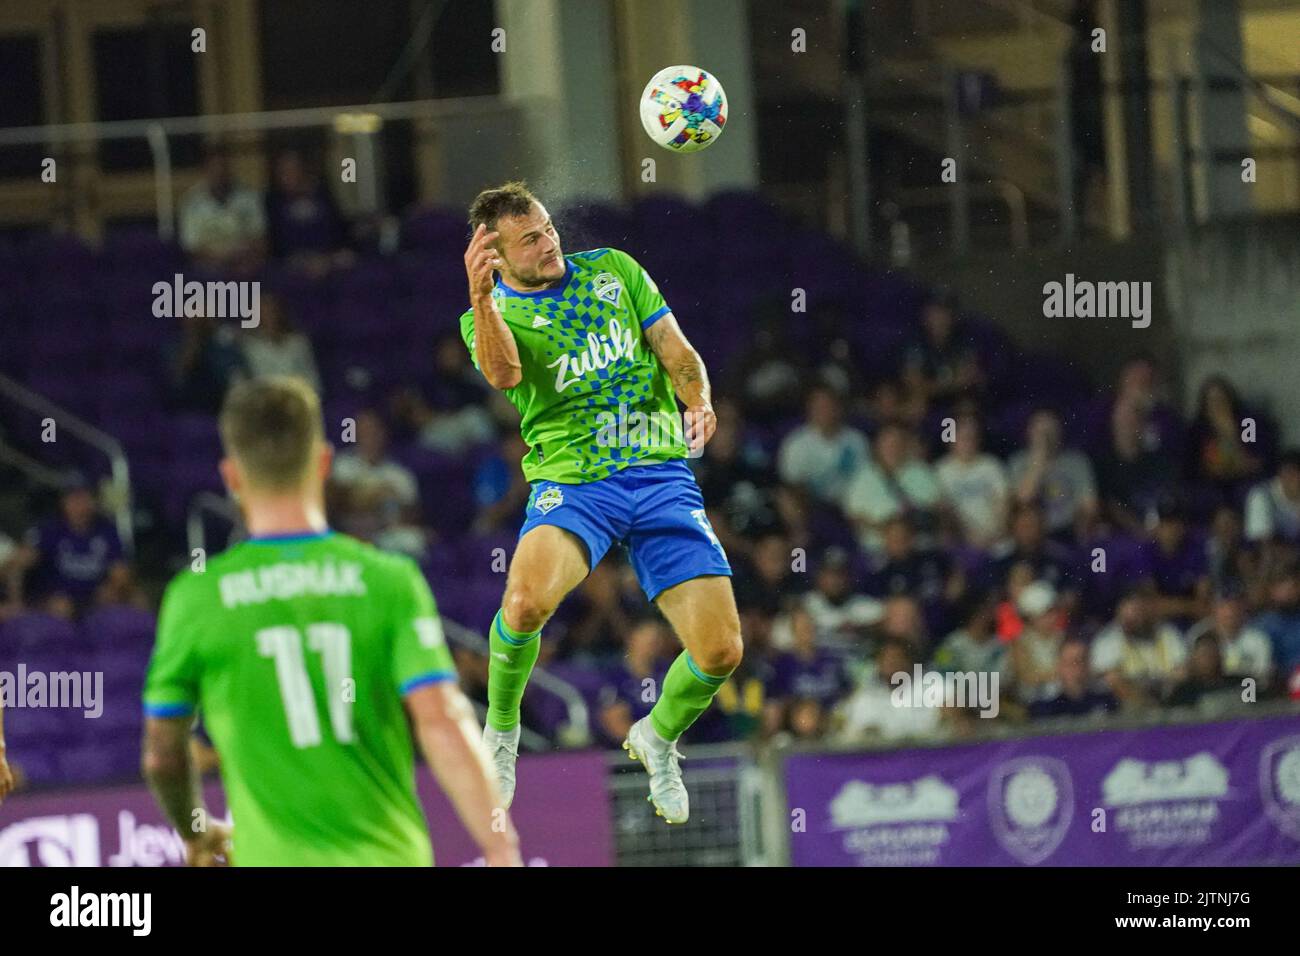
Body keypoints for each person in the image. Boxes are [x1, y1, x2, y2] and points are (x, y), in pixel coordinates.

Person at [141, 377, 520, 867]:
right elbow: (443, 718)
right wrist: (499, 847)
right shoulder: (386, 580)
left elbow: (163, 755)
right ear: (322, 463)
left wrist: (194, 828)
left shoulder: (196, 597)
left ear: (232, 477)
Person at [460, 181, 741, 824]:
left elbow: (676, 350)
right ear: (497, 257)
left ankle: (658, 736)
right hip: (577, 482)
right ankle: (501, 733)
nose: (549, 241)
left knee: (721, 651)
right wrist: (480, 295)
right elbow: (504, 375)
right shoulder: (488, 315)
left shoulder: (613, 270)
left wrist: (697, 399)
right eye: (530, 238)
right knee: (526, 602)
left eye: (549, 228)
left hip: (659, 472)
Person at [178, 144, 267, 276]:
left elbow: (261, 240)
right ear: (205, 170)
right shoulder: (191, 203)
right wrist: (221, 259)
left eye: (223, 167)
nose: (219, 173)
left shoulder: (249, 197)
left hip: (245, 266)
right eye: (214, 168)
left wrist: (245, 258)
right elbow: (191, 249)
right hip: (208, 269)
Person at [776, 383, 869, 508]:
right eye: (818, 406)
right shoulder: (795, 444)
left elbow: (864, 477)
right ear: (809, 410)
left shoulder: (857, 440)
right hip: (813, 506)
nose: (824, 411)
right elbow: (792, 484)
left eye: (829, 405)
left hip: (851, 504)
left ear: (839, 408)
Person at [936, 414, 1009, 549]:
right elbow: (945, 512)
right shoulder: (942, 470)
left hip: (994, 539)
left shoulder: (991, 465)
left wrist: (995, 534)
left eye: (971, 437)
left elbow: (1003, 504)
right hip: (961, 540)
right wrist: (969, 536)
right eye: (962, 437)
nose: (967, 441)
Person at [1027, 639, 1118, 719]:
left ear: (1087, 665)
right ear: (1058, 666)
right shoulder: (1044, 707)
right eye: (1067, 663)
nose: (1073, 669)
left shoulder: (1106, 700)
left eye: (1078, 661)